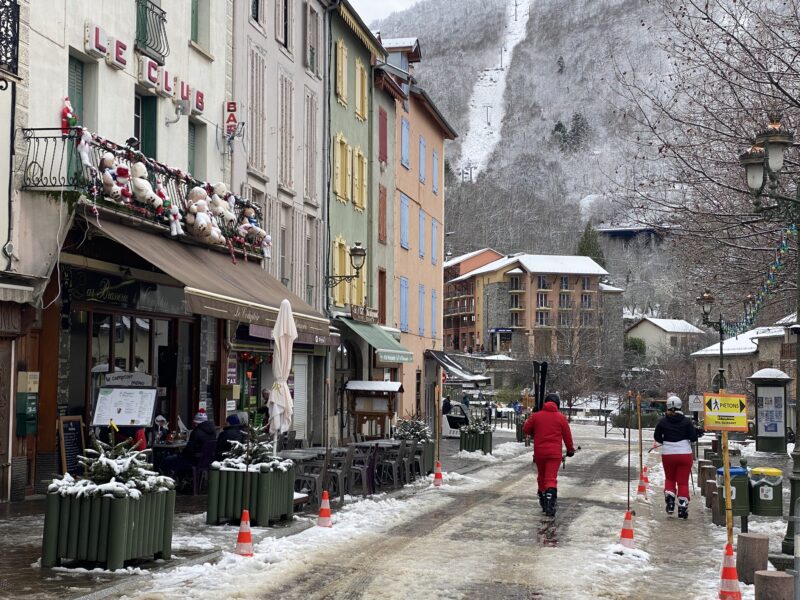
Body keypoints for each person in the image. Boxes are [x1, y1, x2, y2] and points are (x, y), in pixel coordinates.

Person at [522, 392, 574, 517]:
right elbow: (567, 436)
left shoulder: (536, 416)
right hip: (554, 454)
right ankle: (551, 501)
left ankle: (543, 499)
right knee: (551, 478)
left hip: (540, 452)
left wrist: (535, 433)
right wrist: (570, 450)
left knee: (541, 476)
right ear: (557, 404)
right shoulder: (561, 418)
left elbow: (525, 429)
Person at [654, 395, 703, 519]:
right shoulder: (686, 421)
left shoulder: (663, 421)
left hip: (668, 454)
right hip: (684, 454)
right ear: (680, 405)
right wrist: (697, 432)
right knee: (683, 482)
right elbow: (693, 437)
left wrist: (666, 441)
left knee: (670, 479)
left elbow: (657, 437)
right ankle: (682, 508)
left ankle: (670, 502)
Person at [161, 410, 217, 483]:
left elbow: (189, 450)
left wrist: (180, 453)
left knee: (167, 460)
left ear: (197, 422)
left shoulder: (196, 432)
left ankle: (168, 483)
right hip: (206, 461)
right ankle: (183, 481)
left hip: (194, 461)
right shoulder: (213, 432)